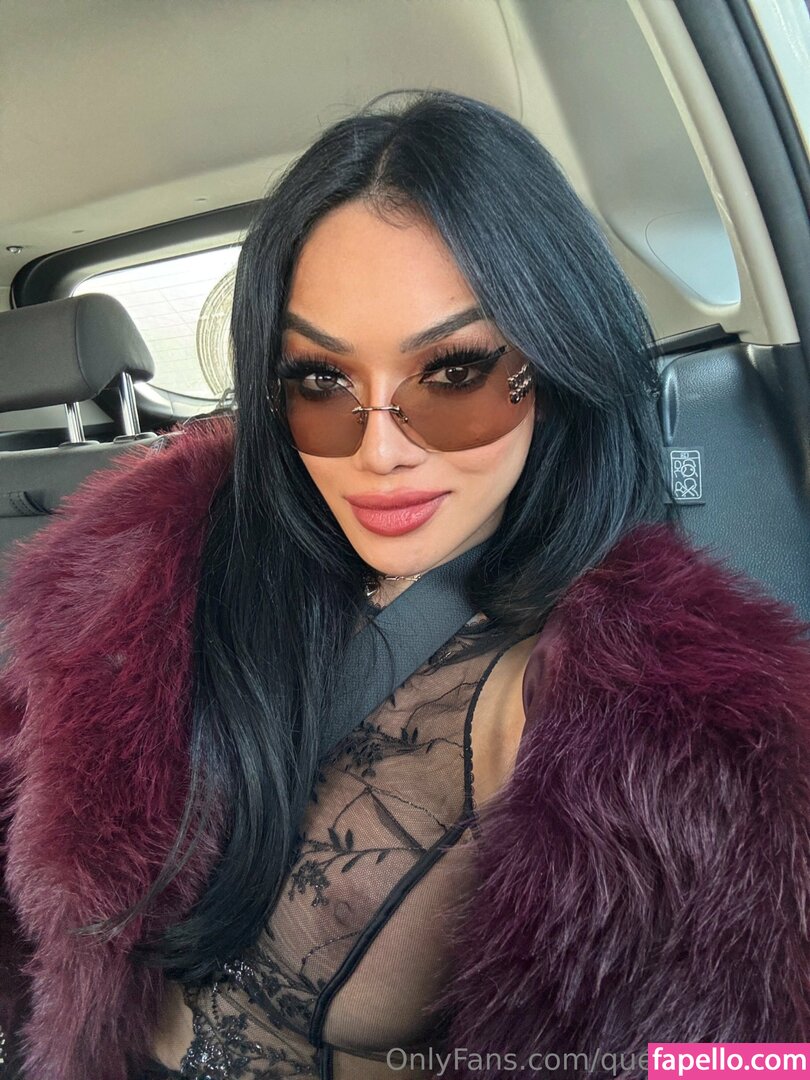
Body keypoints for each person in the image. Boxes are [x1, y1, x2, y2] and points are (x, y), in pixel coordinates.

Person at [0, 89, 808, 1080]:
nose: (378, 451)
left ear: (554, 365)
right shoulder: (137, 577)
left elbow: (743, 1057)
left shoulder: (672, 737)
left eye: (454, 372)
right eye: (321, 380)